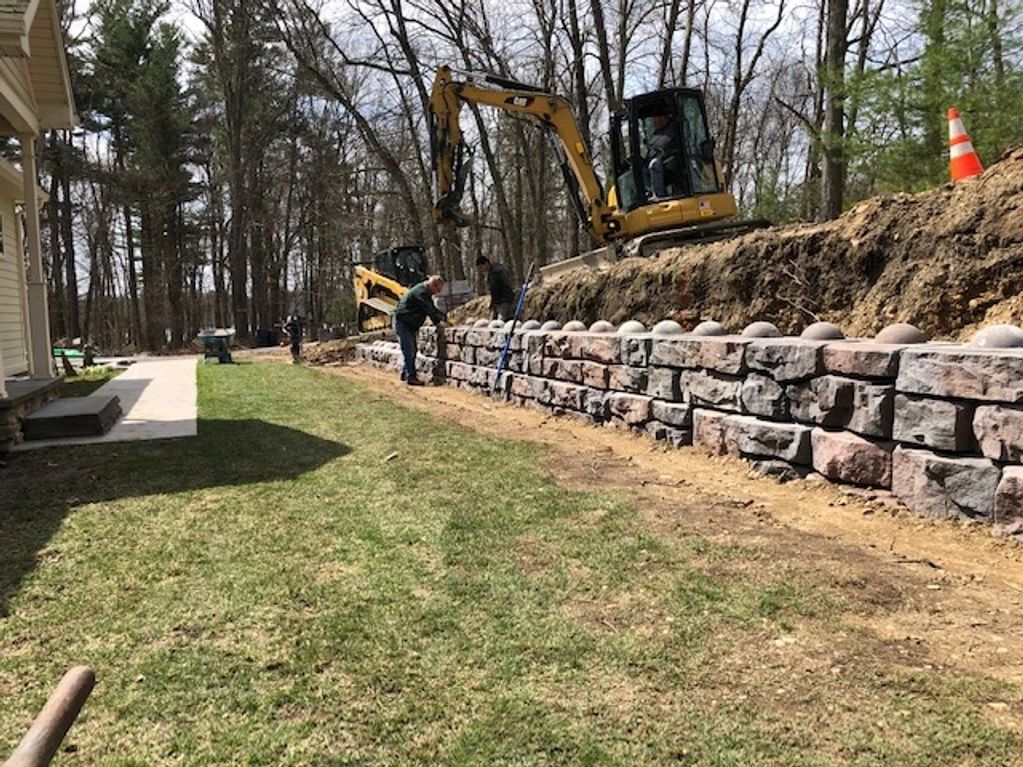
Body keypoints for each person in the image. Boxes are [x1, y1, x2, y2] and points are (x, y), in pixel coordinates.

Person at [392, 275, 446, 386]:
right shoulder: (421, 293)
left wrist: (439, 319)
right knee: (409, 349)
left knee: (412, 349)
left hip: (408, 323)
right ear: (433, 285)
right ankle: (410, 377)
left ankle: (405, 373)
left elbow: (430, 309)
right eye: (438, 289)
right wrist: (442, 320)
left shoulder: (425, 292)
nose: (438, 292)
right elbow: (429, 309)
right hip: (402, 322)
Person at [646, 112, 682, 198]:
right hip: (662, 157)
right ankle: (648, 191)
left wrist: (655, 152)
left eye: (656, 117)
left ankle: (659, 195)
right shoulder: (658, 132)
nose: (654, 121)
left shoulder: (671, 130)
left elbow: (664, 144)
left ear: (663, 118)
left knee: (654, 164)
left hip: (671, 158)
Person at [476, 255, 518, 321]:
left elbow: (496, 288)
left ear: (486, 263)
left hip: (504, 300)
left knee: (500, 320)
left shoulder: (497, 272)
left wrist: (495, 302)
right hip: (498, 301)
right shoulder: (491, 273)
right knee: (493, 320)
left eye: (481, 267)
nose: (481, 270)